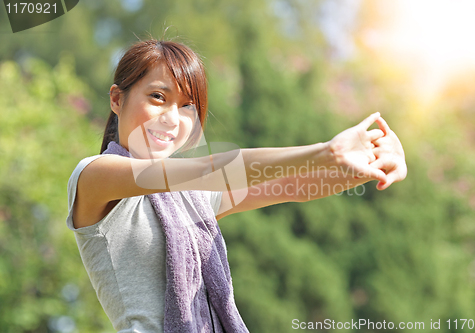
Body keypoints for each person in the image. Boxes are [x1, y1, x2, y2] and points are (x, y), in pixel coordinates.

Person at [66, 39, 406, 333]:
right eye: (158, 97)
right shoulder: (93, 176)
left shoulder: (189, 198)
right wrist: (326, 151)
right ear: (116, 99)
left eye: (187, 107)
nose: (172, 118)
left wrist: (376, 164)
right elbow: (213, 170)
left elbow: (295, 186)